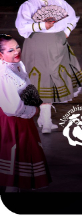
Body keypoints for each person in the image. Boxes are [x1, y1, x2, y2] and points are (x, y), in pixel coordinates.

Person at [15, 0, 82, 134]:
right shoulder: (28, 5)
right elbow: (22, 26)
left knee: (55, 78)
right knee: (41, 78)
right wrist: (41, 25)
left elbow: (72, 18)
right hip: (37, 44)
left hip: (57, 44)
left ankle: (43, 118)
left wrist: (65, 32)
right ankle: (46, 121)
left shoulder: (59, 2)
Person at [0, 34, 50, 192]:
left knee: (22, 165)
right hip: (13, 122)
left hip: (22, 120)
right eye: (10, 50)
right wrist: (33, 110)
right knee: (15, 166)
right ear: (0, 55)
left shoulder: (17, 65)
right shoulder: (4, 74)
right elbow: (12, 108)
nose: (16, 51)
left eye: (17, 47)